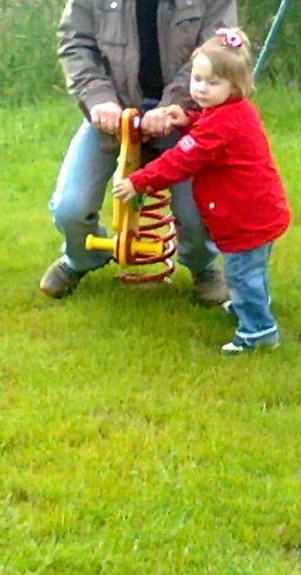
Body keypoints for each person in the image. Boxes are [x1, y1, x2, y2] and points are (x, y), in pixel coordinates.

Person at [41, 0, 237, 304]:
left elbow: (219, 50)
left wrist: (173, 106)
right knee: (69, 208)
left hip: (186, 118)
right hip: (116, 110)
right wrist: (99, 100)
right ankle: (81, 258)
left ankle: (203, 267)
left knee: (198, 209)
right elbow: (75, 42)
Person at [113, 28, 290, 355]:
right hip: (261, 210)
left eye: (212, 83)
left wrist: (139, 181)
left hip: (245, 217)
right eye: (197, 79)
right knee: (252, 269)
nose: (201, 88)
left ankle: (258, 332)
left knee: (241, 273)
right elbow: (210, 132)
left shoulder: (220, 123)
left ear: (235, 87)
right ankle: (248, 306)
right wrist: (189, 119)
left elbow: (182, 160)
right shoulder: (234, 111)